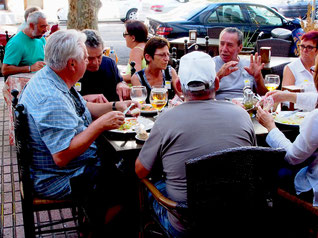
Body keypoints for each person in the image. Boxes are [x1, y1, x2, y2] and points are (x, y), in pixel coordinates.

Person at [19, 29, 136, 236]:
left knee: (122, 165)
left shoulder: (53, 77)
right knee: (132, 178)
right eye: (85, 57)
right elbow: (62, 156)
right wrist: (98, 126)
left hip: (70, 166)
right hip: (59, 177)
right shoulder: (51, 98)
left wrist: (118, 105)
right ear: (72, 63)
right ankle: (97, 229)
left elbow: (85, 108)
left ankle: (96, 218)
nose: (89, 62)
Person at [135, 51, 256, 237]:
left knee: (149, 185)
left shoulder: (166, 120)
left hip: (187, 224)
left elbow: (140, 171)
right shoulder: (242, 115)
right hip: (236, 218)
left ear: (178, 86)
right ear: (216, 83)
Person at [256, 57, 318, 206]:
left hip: (312, 190)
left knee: (265, 174)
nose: (312, 70)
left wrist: (270, 127)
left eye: (315, 68)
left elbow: (292, 157)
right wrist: (286, 95)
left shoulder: (315, 119)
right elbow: (315, 98)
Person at [213, 27, 268, 100]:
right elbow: (202, 94)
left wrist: (258, 77)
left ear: (240, 48)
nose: (224, 49)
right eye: (222, 44)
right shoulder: (211, 64)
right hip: (221, 105)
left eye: (229, 45)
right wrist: (218, 76)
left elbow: (263, 94)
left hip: (246, 106)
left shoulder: (249, 65)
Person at [77, 29, 130, 103]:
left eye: (99, 56)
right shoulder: (73, 70)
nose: (95, 62)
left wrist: (121, 84)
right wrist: (83, 99)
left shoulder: (109, 63)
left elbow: (119, 81)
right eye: (90, 58)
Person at [131, 36, 179, 103]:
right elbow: (142, 106)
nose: (167, 59)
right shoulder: (138, 78)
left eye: (168, 54)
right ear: (148, 57)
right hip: (149, 113)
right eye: (162, 55)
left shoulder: (170, 72)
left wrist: (176, 99)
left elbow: (181, 95)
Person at [2, 11, 48, 77]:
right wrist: (29, 68)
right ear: (31, 25)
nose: (45, 30)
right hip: (25, 84)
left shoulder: (41, 39)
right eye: (42, 27)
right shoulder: (16, 43)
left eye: (46, 26)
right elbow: (5, 70)